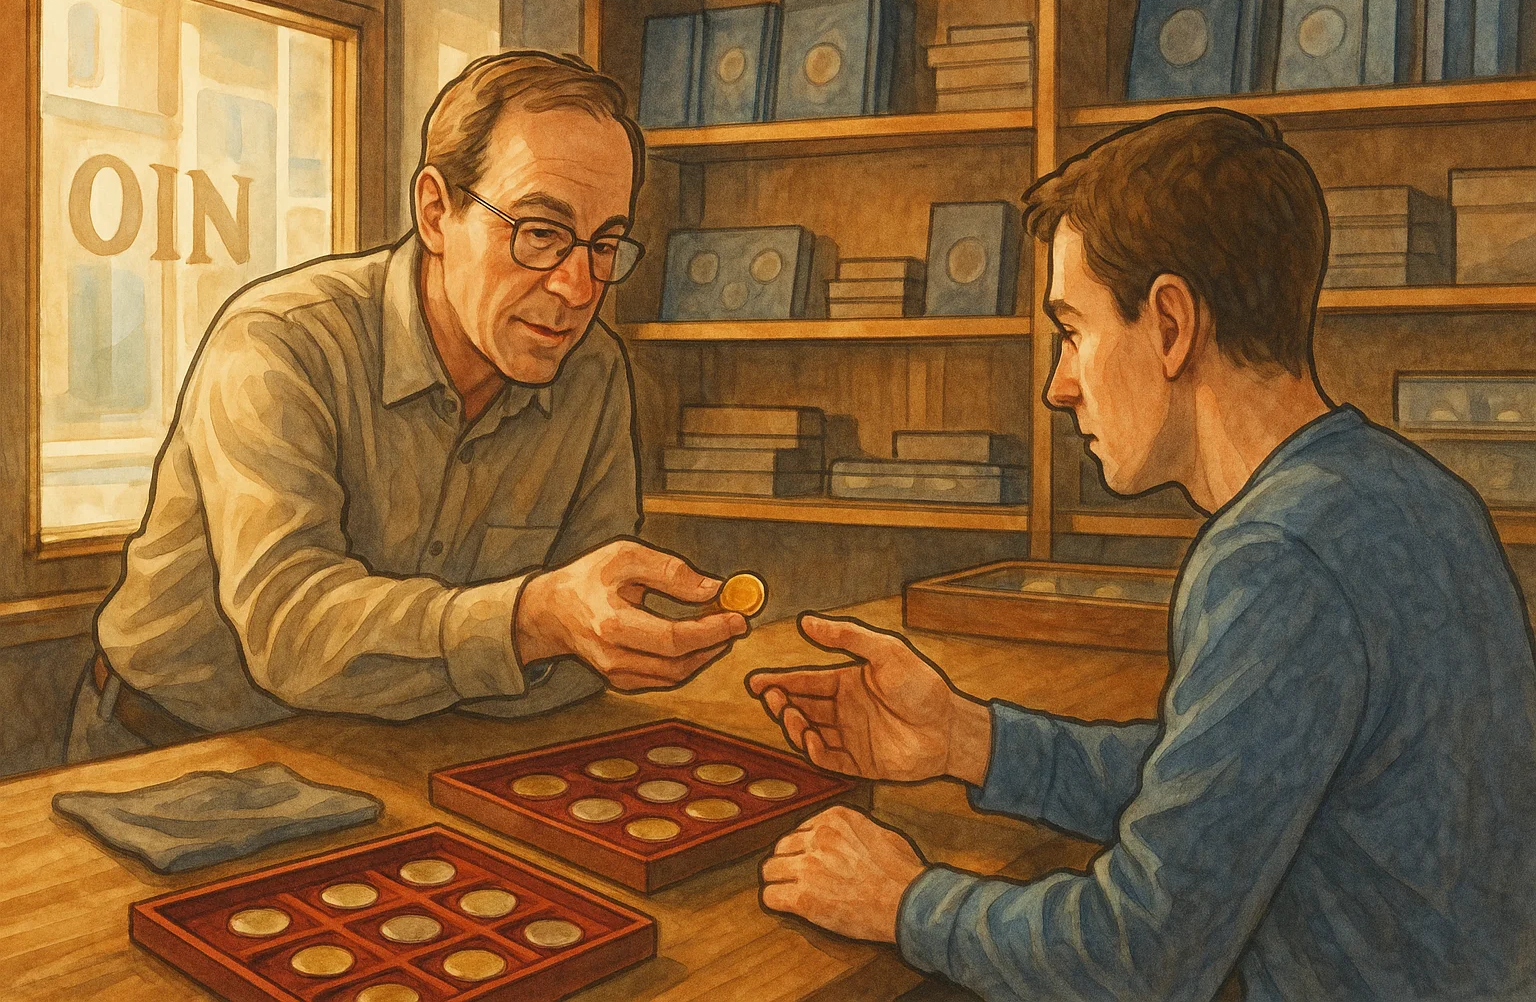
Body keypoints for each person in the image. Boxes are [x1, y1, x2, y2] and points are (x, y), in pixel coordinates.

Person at [746, 109, 1536, 1001]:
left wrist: (902, 901)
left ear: (1169, 324)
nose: (1058, 383)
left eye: (1074, 330)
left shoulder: (1277, 560)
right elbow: (1230, 789)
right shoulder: (1403, 493)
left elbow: (1138, 958)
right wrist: (969, 739)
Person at [69, 51, 747, 763]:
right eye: (541, 233)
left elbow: (582, 636)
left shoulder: (595, 370)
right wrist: (528, 621)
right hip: (169, 752)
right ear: (435, 212)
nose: (579, 288)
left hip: (408, 756)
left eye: (604, 244)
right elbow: (290, 630)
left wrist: (603, 634)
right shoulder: (280, 341)